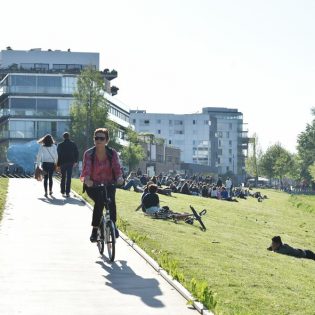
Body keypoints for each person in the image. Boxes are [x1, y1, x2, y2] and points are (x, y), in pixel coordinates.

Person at [81, 128, 124, 242]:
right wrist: (88, 180)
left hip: (109, 183)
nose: (99, 140)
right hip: (93, 185)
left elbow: (116, 167)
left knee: (111, 202)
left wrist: (119, 178)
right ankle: (95, 229)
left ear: (107, 140)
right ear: (94, 140)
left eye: (102, 138)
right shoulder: (89, 154)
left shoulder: (112, 153)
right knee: (100, 200)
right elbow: (87, 169)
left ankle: (113, 224)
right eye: (96, 138)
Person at [57, 132, 79, 197]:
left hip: (62, 162)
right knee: (69, 177)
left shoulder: (60, 145)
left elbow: (58, 154)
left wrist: (58, 164)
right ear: (69, 136)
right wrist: (75, 161)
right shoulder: (73, 144)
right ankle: (67, 192)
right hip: (70, 162)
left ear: (63, 137)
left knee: (63, 177)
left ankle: (62, 191)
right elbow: (76, 153)